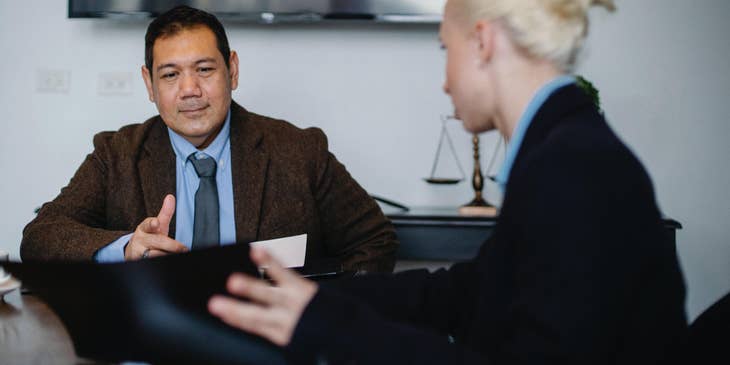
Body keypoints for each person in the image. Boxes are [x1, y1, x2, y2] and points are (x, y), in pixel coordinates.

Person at [207, 0, 688, 363]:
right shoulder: (562, 150)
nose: (444, 80)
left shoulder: (573, 168)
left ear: (482, 42)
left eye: (446, 50)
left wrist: (326, 323)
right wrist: (316, 297)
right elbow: (464, 292)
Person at [20, 6, 398, 273]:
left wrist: (321, 317)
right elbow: (41, 238)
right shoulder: (116, 154)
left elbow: (375, 241)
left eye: (204, 70)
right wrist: (126, 249)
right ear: (149, 84)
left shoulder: (298, 150)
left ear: (232, 70)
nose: (190, 90)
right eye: (170, 75)